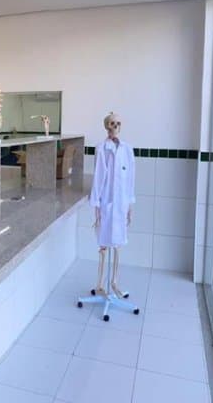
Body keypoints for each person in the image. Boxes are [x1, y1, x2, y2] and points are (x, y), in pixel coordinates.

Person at [90, 112, 135, 297]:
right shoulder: (102, 148)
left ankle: (114, 282)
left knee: (117, 244)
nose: (115, 127)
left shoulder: (127, 149)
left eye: (118, 123)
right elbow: (98, 177)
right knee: (103, 244)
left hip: (121, 204)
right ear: (106, 126)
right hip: (106, 204)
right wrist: (96, 205)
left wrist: (130, 204)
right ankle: (100, 284)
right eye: (111, 123)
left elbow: (130, 178)